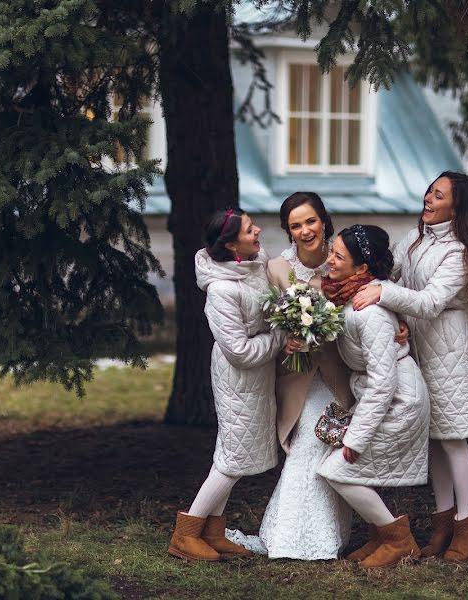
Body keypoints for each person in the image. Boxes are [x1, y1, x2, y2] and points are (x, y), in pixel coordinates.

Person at [351, 172, 468, 562]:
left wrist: (386, 292)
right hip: (415, 345)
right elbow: (390, 277)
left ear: (457, 207)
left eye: (439, 195)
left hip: (446, 348)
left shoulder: (460, 251)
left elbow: (430, 302)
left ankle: (467, 527)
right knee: (432, 438)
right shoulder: (414, 239)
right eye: (429, 190)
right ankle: (442, 524)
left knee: (454, 437)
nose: (428, 198)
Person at [235, 192, 355, 559]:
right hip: (297, 376)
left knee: (331, 444)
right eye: (296, 226)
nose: (305, 231)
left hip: (339, 372)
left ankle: (330, 533)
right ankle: (289, 536)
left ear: (324, 220)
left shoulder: (344, 257)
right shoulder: (276, 269)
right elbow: (264, 321)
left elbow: (374, 290)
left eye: (311, 221)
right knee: (307, 443)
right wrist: (286, 339)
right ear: (288, 232)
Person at [168, 208, 290, 562]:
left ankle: (213, 531)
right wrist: (280, 337)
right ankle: (185, 533)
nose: (258, 232)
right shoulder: (221, 290)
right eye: (250, 230)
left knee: (228, 451)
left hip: (258, 376)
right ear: (232, 244)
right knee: (234, 459)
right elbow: (238, 351)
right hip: (238, 377)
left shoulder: (253, 263)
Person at [316, 224, 431, 569]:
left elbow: (383, 382)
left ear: (363, 269)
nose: (330, 260)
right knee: (352, 472)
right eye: (332, 252)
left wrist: (357, 434)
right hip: (380, 396)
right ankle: (381, 536)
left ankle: (398, 540)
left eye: (339, 256)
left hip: (399, 402)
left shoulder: (370, 312)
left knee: (338, 471)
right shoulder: (350, 295)